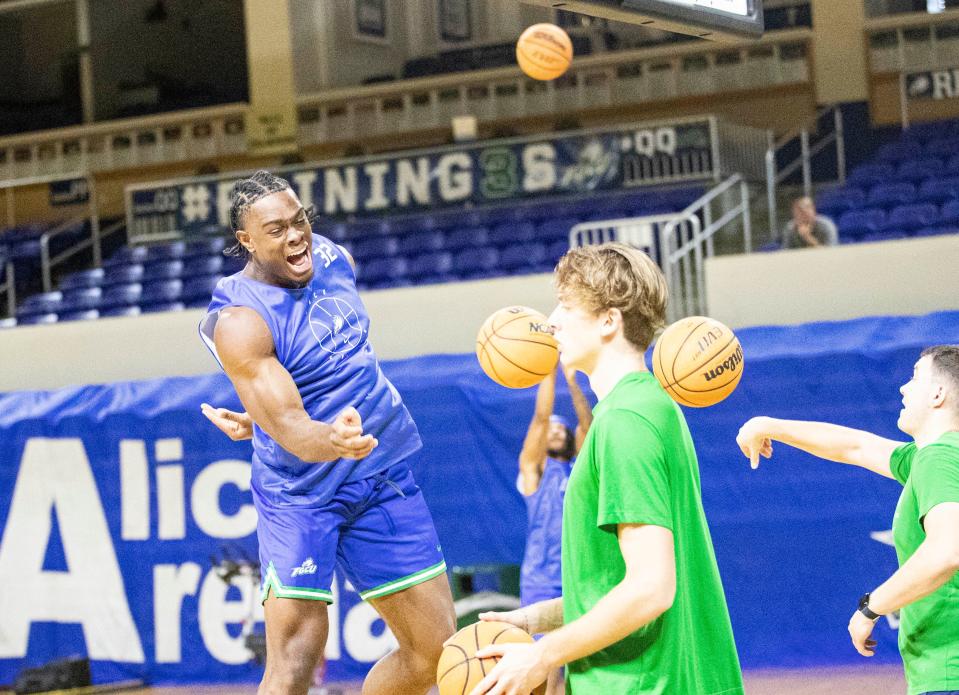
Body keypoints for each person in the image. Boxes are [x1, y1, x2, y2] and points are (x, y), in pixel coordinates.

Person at [197, 170, 455, 695]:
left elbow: (334, 370)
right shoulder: (240, 322)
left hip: (379, 473)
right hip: (301, 494)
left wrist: (262, 422)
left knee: (436, 654)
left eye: (299, 221)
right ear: (245, 241)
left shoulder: (335, 260)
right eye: (276, 230)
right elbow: (291, 424)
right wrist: (325, 439)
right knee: (294, 662)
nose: (295, 236)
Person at [468, 242, 744, 695]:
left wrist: (542, 654)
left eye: (567, 306)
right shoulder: (654, 406)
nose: (551, 320)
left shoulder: (622, 425)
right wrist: (535, 618)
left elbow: (651, 589)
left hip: (643, 682)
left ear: (609, 320)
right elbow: (616, 582)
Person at [736, 346, 959, 695]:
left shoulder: (940, 458)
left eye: (915, 377)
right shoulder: (931, 458)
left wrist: (871, 608)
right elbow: (855, 447)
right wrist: (772, 426)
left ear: (938, 394)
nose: (904, 388)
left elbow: (946, 551)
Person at [516, 365, 592, 695]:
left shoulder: (582, 469)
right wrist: (547, 371)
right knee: (539, 664)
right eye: (552, 429)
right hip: (540, 578)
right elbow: (541, 418)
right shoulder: (535, 471)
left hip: (580, 574)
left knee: (582, 660)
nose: (557, 431)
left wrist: (574, 385)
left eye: (564, 429)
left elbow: (588, 426)